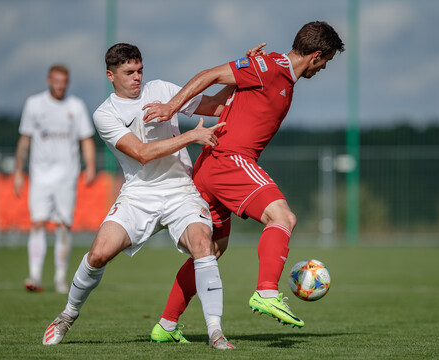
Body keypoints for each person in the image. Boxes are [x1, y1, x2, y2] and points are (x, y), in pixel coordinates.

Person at [41, 42, 266, 349]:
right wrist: (192, 135)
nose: (137, 77)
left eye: (140, 70)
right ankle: (67, 315)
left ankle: (215, 332)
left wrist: (244, 69)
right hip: (139, 194)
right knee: (98, 255)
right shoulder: (104, 114)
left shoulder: (161, 88)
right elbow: (142, 154)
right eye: (128, 72)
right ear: (110, 75)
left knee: (204, 246)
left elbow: (213, 104)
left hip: (180, 190)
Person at [143, 21, 345, 335]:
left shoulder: (273, 70)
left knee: (210, 251)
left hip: (211, 165)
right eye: (326, 62)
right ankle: (266, 291)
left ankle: (166, 325)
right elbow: (207, 75)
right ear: (316, 56)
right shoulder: (271, 66)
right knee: (283, 217)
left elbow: (231, 99)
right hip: (230, 160)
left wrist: (245, 69)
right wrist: (172, 107)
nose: (322, 69)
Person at [14, 64, 96, 294]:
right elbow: (25, 140)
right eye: (57, 81)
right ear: (49, 80)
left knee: (63, 225)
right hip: (40, 175)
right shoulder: (34, 104)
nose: (60, 85)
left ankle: (60, 278)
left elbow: (86, 139)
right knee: (38, 222)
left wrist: (90, 166)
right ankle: (35, 276)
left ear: (67, 82)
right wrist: (19, 170)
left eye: (64, 81)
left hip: (67, 175)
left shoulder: (76, 106)